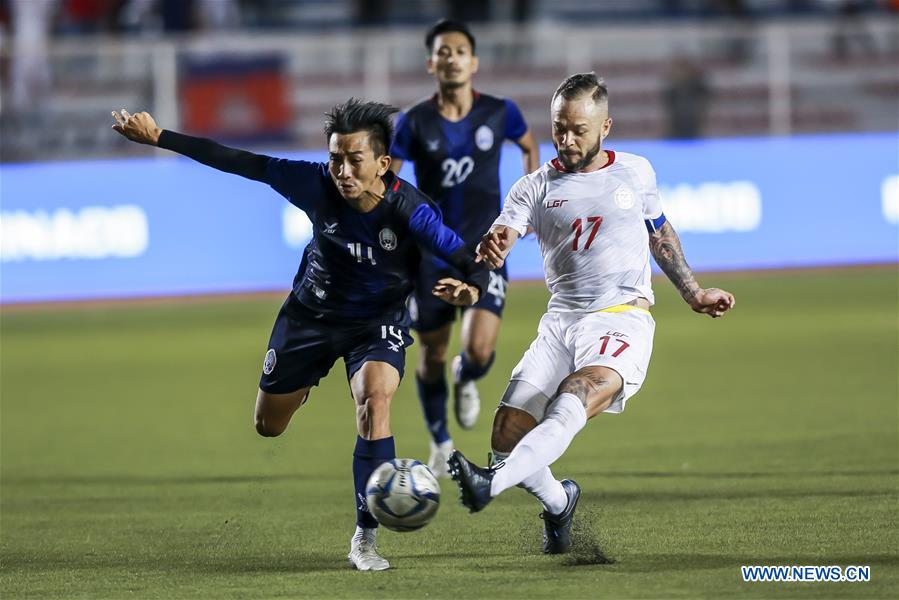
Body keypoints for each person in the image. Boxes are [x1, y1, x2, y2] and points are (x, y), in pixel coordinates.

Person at [111, 99, 488, 571]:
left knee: (375, 400)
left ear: (383, 164)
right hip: (309, 320)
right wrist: (160, 137)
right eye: (335, 158)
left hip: (376, 324)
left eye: (355, 160)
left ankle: (365, 539)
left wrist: (470, 289)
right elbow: (239, 161)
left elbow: (467, 259)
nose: (343, 170)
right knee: (268, 426)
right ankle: (305, 381)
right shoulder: (313, 183)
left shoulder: (411, 211)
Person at [447, 73, 736, 554]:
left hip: (621, 317)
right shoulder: (533, 187)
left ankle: (488, 487)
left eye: (578, 129)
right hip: (560, 323)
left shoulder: (636, 172)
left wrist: (693, 292)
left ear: (606, 127)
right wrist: (493, 246)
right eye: (558, 127)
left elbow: (659, 233)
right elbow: (504, 233)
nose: (565, 139)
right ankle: (560, 505)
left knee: (572, 397)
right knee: (506, 436)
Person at [389, 19, 540, 477]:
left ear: (473, 62)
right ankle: (440, 443)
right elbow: (390, 180)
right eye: (443, 51)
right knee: (431, 353)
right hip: (431, 254)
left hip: (485, 249)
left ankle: (466, 378)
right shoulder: (413, 121)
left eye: (460, 50)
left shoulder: (500, 111)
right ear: (431, 62)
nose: (451, 57)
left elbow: (530, 147)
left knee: (477, 351)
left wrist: (527, 205)